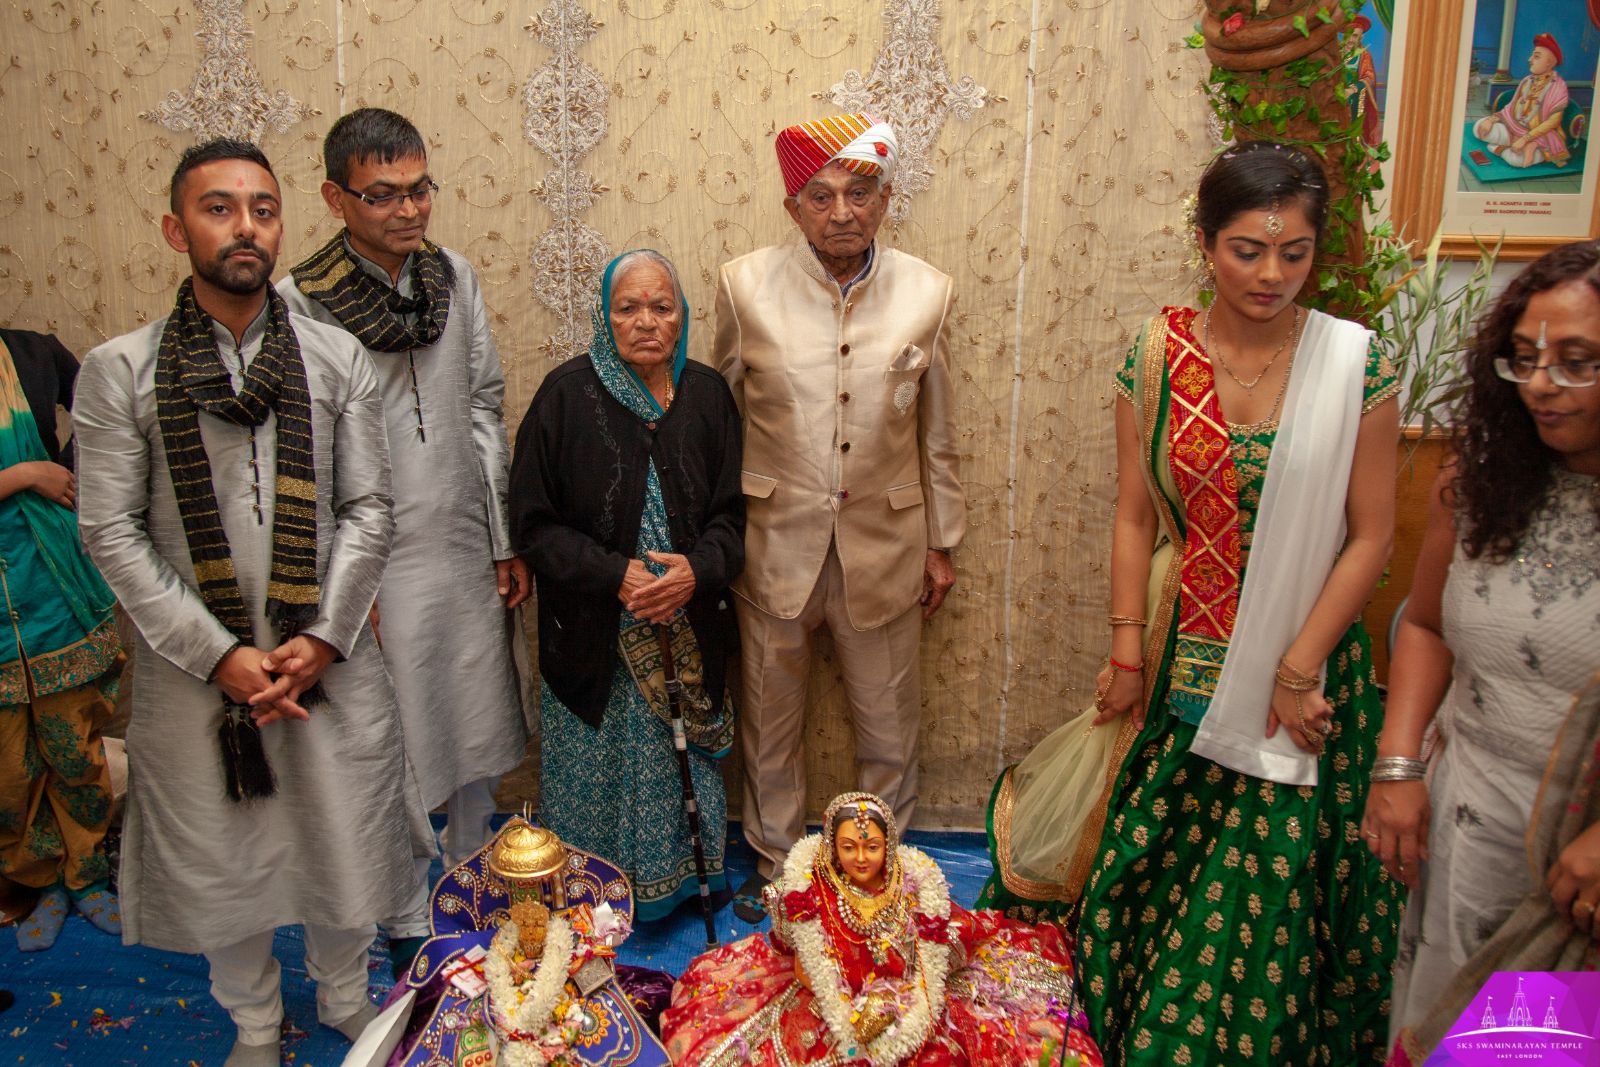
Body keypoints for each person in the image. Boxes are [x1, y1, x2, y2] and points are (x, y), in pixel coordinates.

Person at [72, 138, 433, 1067]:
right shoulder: (120, 370)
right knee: (224, 856)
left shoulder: (335, 355)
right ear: (176, 229)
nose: (245, 227)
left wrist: (324, 638)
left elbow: (369, 507)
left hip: (328, 661)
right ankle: (256, 1024)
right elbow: (110, 530)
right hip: (195, 671)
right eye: (219, 208)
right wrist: (220, 656)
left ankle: (346, 994)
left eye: (262, 210)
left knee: (345, 832)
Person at [1059, 141, 1402, 1065]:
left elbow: (1372, 535)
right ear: (1205, 243)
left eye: (1295, 253)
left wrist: (1296, 667)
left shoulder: (1354, 363)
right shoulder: (1158, 353)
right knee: (1166, 859)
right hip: (1185, 649)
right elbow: (1134, 514)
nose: (1271, 274)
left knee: (1275, 877)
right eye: (1248, 250)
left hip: (1309, 655)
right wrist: (1125, 651)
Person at [279, 108, 529, 973]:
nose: (409, 209)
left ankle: (471, 873)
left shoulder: (453, 276)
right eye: (383, 194)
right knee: (392, 733)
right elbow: (302, 455)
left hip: (460, 538)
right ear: (335, 198)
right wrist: (339, 587)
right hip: (373, 558)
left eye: (420, 189)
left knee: (475, 714)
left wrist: (501, 539)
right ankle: (400, 904)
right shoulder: (301, 301)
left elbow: (483, 405)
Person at [716, 112, 964, 920]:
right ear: (793, 208)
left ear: (886, 200)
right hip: (771, 543)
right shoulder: (744, 286)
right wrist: (714, 539)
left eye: (859, 194)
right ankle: (777, 873)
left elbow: (938, 430)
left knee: (888, 726)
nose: (842, 212)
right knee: (769, 726)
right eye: (820, 197)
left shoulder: (928, 292)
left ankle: (877, 876)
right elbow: (717, 421)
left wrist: (943, 541)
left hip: (887, 546)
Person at [1366, 241, 1600, 1064]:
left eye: (1577, 362)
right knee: (1448, 1028)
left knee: (1535, 1042)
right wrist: (1398, 765)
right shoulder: (1481, 480)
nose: (1541, 384)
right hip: (1468, 812)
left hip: (1579, 856)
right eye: (1524, 358)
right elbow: (1425, 624)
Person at [509, 249, 743, 923]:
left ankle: (677, 888)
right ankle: (591, 895)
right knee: (599, 767)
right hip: (593, 633)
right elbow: (532, 525)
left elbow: (733, 517)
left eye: (661, 307)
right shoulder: (564, 395)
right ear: (603, 316)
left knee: (677, 768)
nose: (646, 321)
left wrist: (695, 571)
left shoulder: (708, 395)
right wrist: (617, 575)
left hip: (686, 623)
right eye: (628, 308)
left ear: (682, 316)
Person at [661, 791, 1103, 1066]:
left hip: (908, 995)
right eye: (848, 847)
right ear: (832, 850)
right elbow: (802, 964)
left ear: (888, 846)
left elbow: (938, 949)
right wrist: (850, 1008)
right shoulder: (813, 891)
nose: (860, 858)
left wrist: (897, 1001)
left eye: (872, 847)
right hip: (830, 1000)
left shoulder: (913, 887)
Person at [0, 327, 124, 951]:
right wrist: (24, 474)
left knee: (74, 746)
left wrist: (68, 474)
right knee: (8, 767)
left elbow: (104, 414)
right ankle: (38, 881)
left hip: (51, 586)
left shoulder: (30, 352)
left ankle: (88, 875)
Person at [1473, 33, 1570, 170]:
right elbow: (1510, 107)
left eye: (1536, 56)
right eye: (1532, 55)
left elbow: (1553, 122)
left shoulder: (1558, 86)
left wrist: (1526, 139)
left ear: (1549, 62)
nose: (1530, 60)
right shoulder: (1527, 80)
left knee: (1516, 160)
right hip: (1513, 126)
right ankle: (1509, 146)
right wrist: (1491, 120)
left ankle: (1510, 147)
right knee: (1479, 127)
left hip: (1540, 136)